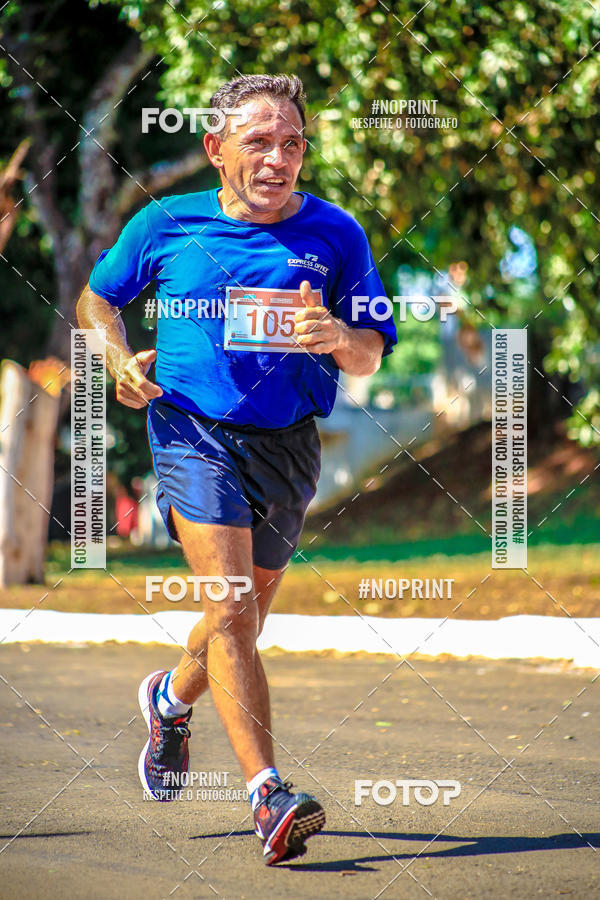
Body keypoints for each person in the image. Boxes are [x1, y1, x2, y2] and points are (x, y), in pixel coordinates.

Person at [76, 73, 397, 865]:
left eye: (292, 143)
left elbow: (370, 352)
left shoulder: (338, 234)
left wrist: (333, 334)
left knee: (239, 619)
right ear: (216, 150)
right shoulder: (166, 223)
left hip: (288, 444)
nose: (278, 158)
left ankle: (168, 700)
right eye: (258, 141)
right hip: (191, 433)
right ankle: (268, 794)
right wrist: (115, 361)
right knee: (228, 608)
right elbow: (96, 299)